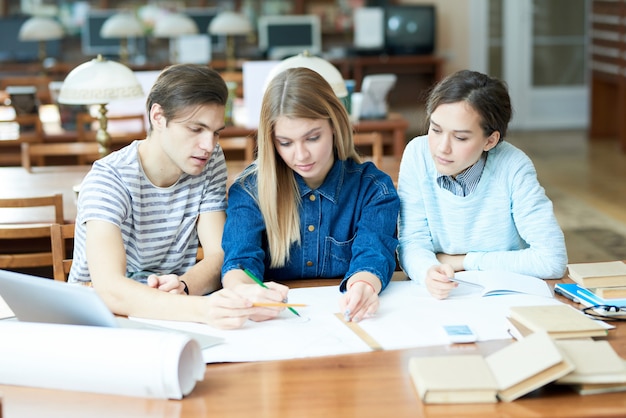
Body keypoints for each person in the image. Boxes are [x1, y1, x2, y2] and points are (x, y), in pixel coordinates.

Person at [69, 64, 257, 329]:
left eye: (216, 132)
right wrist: (201, 308)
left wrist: (185, 285)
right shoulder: (109, 178)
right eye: (195, 129)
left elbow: (218, 254)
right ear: (158, 116)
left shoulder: (209, 160)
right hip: (100, 322)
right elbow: (109, 288)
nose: (209, 145)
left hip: (173, 315)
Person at [221, 67, 400, 322]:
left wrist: (364, 286)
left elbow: (373, 254)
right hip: (276, 329)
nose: (301, 155)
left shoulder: (373, 189)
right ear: (271, 141)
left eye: (313, 138)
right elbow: (239, 261)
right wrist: (245, 290)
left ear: (335, 126)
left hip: (349, 322)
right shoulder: (250, 190)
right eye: (285, 142)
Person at [397, 69, 568, 299]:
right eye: (435, 130)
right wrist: (428, 271)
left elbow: (552, 259)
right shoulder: (417, 154)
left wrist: (463, 262)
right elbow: (411, 241)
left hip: (503, 296)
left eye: (460, 137)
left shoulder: (513, 167)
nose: (441, 148)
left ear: (490, 140)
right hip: (439, 297)